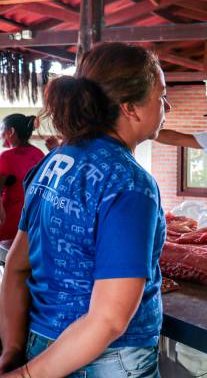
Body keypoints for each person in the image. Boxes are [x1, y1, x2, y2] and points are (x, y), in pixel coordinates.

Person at [0, 42, 170, 378]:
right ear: (131, 108)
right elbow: (110, 318)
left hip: (42, 346)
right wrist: (27, 375)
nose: (167, 105)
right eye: (161, 95)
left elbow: (17, 267)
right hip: (109, 362)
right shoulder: (130, 183)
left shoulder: (55, 161)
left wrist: (14, 351)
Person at [0, 114, 44, 242]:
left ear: (11, 132)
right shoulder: (39, 154)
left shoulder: (7, 156)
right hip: (32, 218)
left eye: (1, 129)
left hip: (9, 217)